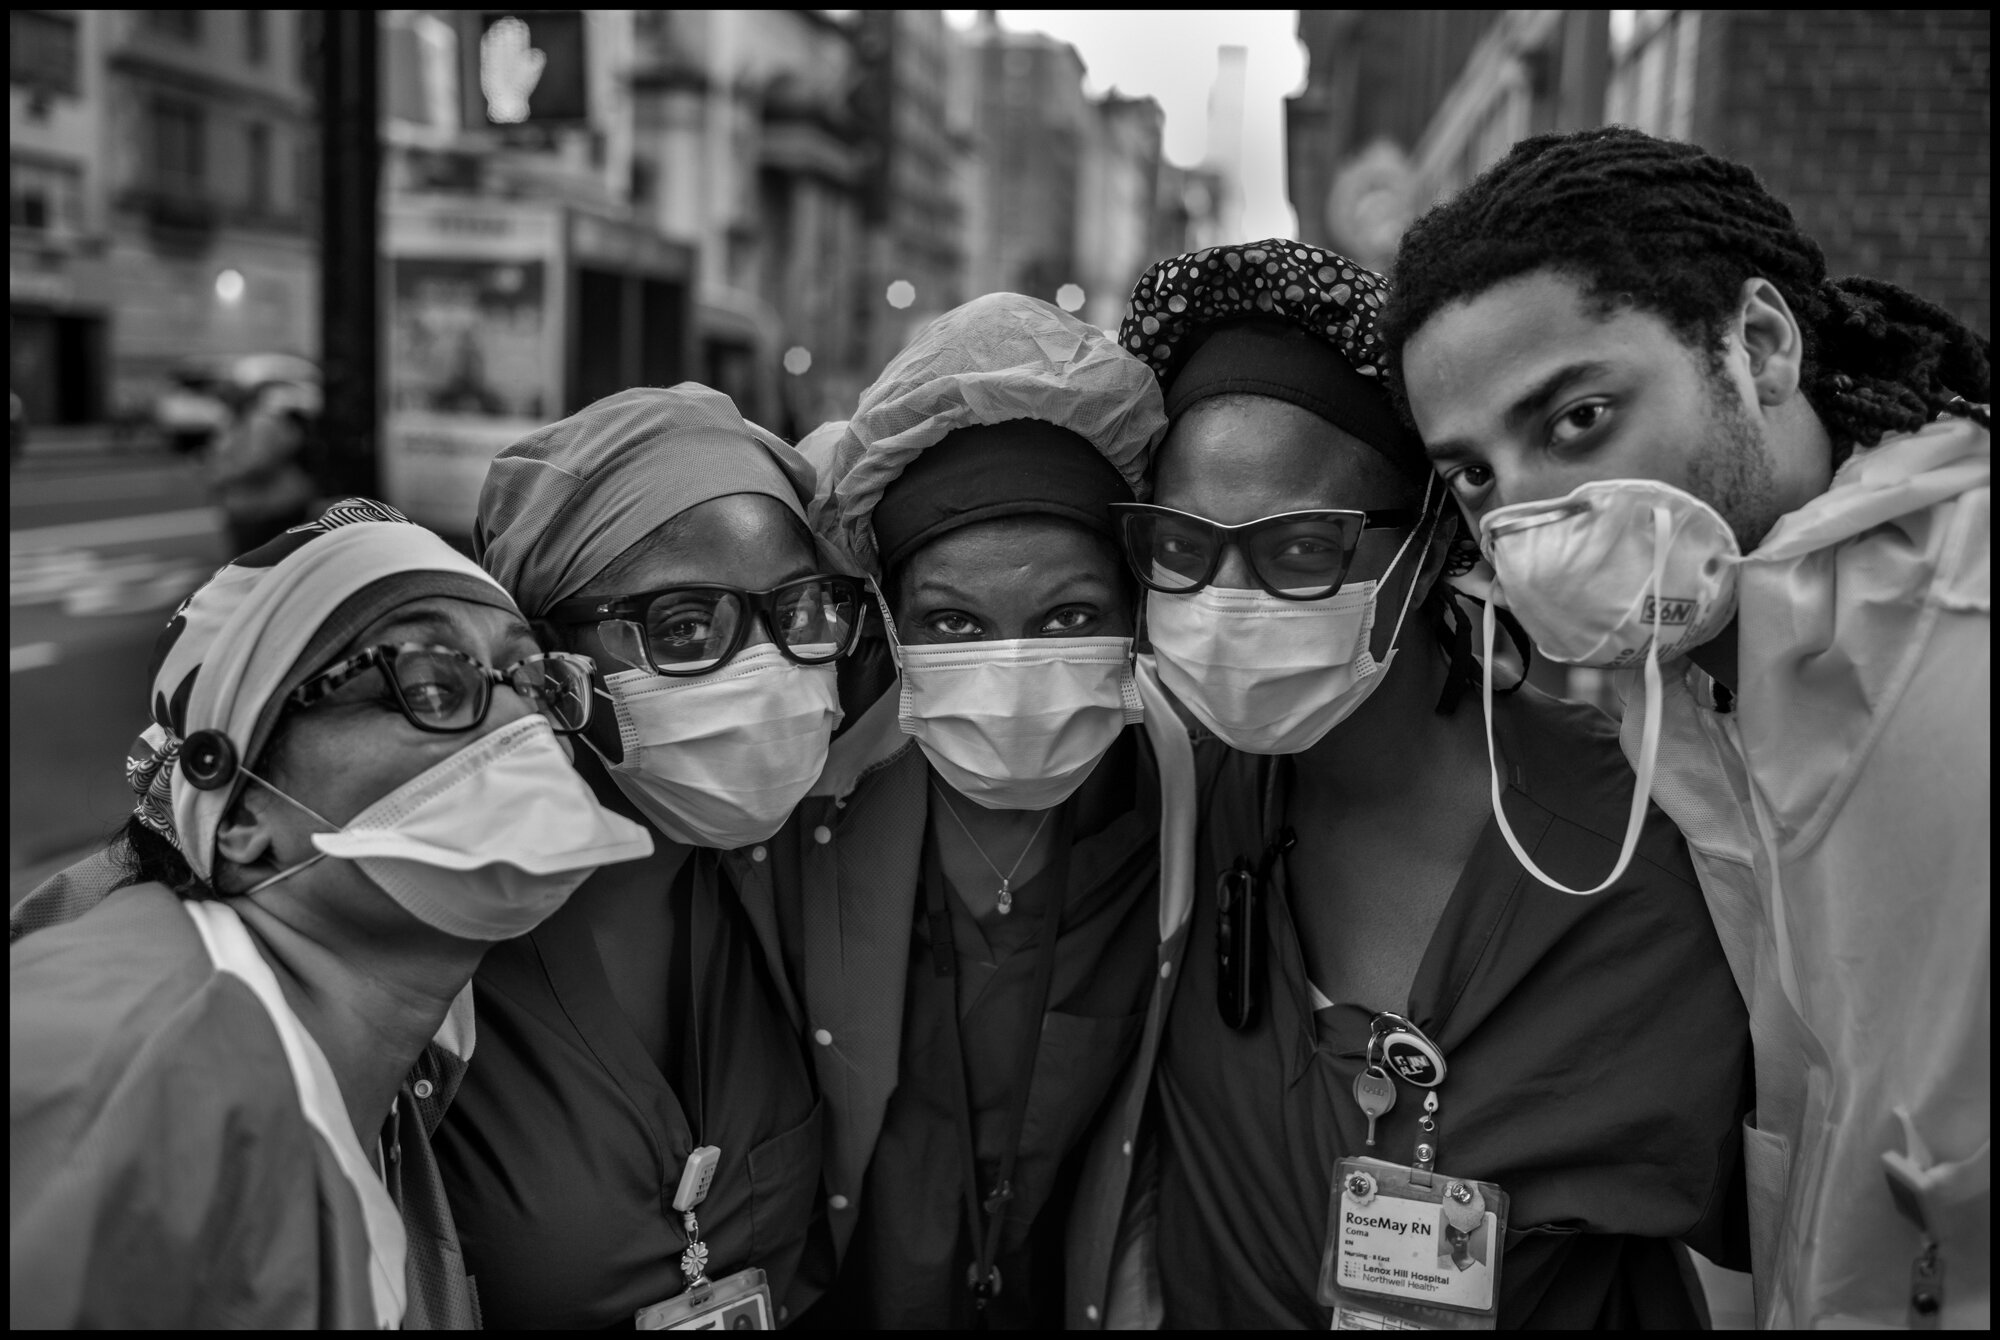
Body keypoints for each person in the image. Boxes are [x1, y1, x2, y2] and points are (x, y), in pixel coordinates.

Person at [1065, 240, 1753, 1330]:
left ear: (1431, 542)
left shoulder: (1641, 834)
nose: (1227, 599)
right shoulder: (1175, 802)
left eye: (1298, 548)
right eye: (1184, 547)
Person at [1382, 126, 1991, 1330]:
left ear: (1757, 345)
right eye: (1472, 476)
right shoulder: (1685, 676)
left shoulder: (1959, 628)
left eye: (1575, 419)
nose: (1529, 519)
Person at [10, 499, 652, 1328]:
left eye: (534, 682)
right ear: (239, 817)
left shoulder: (389, 1098)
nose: (517, 724)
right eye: (425, 684)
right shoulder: (117, 1062)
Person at [782, 292, 1187, 1330]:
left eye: (1067, 616)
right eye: (953, 621)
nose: (1009, 671)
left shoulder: (1183, 811)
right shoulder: (800, 818)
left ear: (1133, 613)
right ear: (889, 622)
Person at [430, 384, 862, 1329]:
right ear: (552, 666)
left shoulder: (781, 896)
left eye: (797, 612)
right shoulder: (435, 968)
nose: (773, 669)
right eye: (684, 627)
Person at [210, 378, 320, 555]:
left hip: (273, 507)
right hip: (247, 508)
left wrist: (223, 475)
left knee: (272, 562)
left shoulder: (261, 422)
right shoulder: (232, 422)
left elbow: (259, 463)